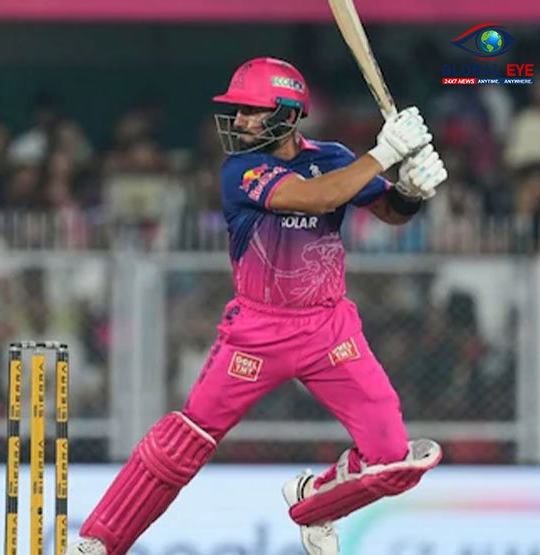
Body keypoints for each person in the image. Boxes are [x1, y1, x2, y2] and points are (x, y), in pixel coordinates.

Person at [69, 57, 448, 555]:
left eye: (251, 111)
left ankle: (315, 503)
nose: (240, 121)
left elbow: (389, 212)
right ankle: (99, 541)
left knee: (393, 458)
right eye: (239, 111)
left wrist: (410, 192)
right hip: (258, 332)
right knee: (184, 443)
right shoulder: (240, 170)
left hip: (328, 328)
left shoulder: (333, 157)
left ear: (288, 115)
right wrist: (384, 154)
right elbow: (315, 199)